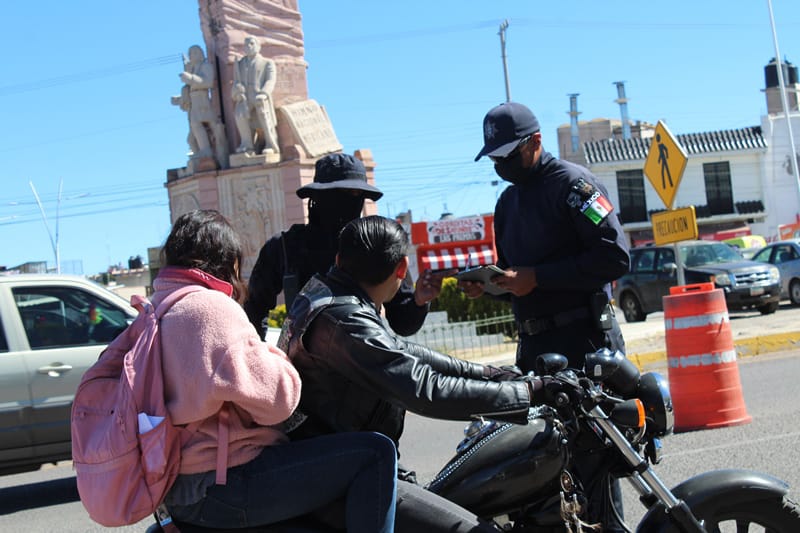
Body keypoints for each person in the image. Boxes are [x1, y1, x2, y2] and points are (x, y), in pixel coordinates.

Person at [283, 215, 563, 533]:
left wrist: (496, 376)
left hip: (343, 460)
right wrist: (529, 394)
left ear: (339, 259)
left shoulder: (331, 297)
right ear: (402, 269)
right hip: (342, 478)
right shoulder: (344, 321)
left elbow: (406, 354)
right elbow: (424, 389)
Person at [154, 209, 397, 532]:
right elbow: (278, 401)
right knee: (376, 452)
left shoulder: (156, 311)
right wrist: (275, 354)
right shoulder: (211, 309)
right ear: (226, 261)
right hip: (228, 482)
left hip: (181, 491)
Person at [468, 101, 631, 531]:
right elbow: (519, 282)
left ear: (535, 143)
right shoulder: (507, 204)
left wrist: (537, 278)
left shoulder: (575, 187)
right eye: (495, 159)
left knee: (594, 463)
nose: (501, 166)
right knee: (546, 469)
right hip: (537, 350)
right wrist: (490, 286)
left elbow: (614, 258)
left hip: (584, 343)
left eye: (508, 156)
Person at [245, 152, 448, 339]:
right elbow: (253, 309)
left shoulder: (380, 244)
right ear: (317, 197)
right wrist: (264, 358)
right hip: (306, 373)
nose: (350, 202)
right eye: (341, 193)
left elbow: (403, 323)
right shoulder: (285, 247)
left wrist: (419, 301)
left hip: (364, 363)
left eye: (357, 195)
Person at [233, 35, 279, 155]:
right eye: (246, 44)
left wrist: (264, 93)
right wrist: (237, 91)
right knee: (239, 114)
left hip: (259, 96)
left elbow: (270, 80)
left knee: (264, 117)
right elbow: (236, 82)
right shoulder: (240, 64)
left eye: (252, 43)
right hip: (245, 98)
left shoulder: (267, 63)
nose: (249, 46)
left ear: (258, 47)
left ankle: (271, 143)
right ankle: (247, 144)